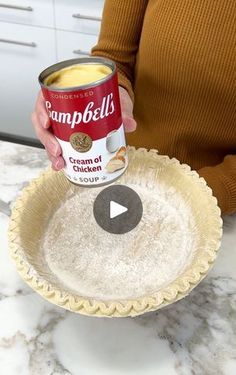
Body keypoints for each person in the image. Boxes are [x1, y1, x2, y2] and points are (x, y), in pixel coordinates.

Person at [32, 0, 236, 215]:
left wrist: (207, 193)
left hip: (212, 197)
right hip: (124, 164)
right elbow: (114, 57)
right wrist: (86, 96)